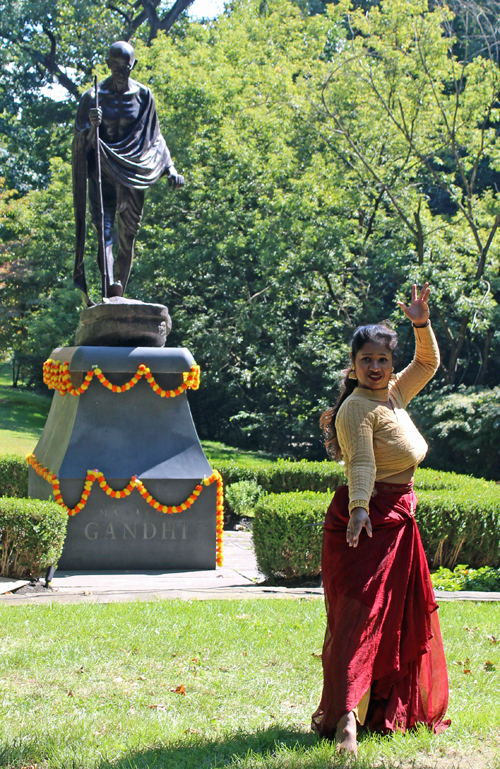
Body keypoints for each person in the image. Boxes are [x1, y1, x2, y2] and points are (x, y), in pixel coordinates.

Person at [311, 283, 450, 755]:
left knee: (394, 619)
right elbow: (362, 466)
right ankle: (346, 719)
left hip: (398, 518)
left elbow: (427, 363)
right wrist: (357, 511)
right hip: (368, 522)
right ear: (352, 365)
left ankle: (380, 708)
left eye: (383, 360)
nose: (375, 367)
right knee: (360, 619)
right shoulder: (355, 409)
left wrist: (420, 322)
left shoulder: (391, 394)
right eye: (366, 359)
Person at [72, 41, 184, 305]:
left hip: (134, 173)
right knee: (104, 233)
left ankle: (118, 288)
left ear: (133, 65)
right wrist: (91, 128)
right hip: (103, 173)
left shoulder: (144, 96)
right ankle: (108, 286)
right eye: (117, 66)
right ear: (109, 64)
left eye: (127, 67)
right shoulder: (92, 97)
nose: (122, 72)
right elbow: (79, 143)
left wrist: (171, 169)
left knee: (128, 236)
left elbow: (154, 138)